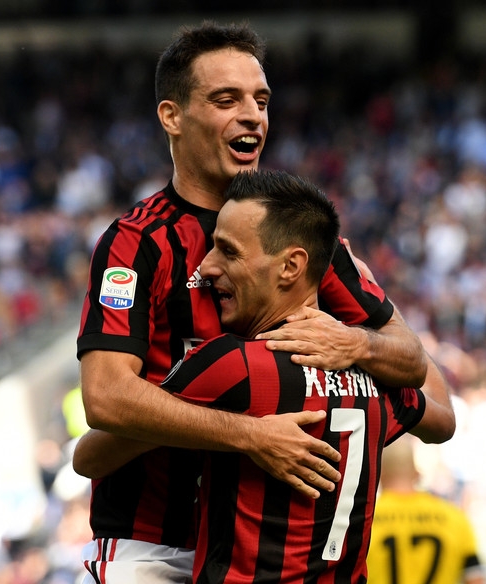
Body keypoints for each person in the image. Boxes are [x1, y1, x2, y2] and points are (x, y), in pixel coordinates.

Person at [76, 21, 427, 582]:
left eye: (261, 101)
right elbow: (105, 400)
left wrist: (355, 344)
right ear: (171, 116)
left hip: (262, 555)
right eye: (226, 100)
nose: (252, 116)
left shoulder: (304, 240)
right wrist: (250, 434)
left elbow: (417, 369)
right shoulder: (137, 243)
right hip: (154, 546)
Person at [75, 169, 456, 583]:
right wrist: (370, 324)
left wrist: (241, 431)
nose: (207, 266)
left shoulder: (234, 365)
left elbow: (89, 457)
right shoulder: (376, 383)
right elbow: (442, 417)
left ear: (291, 266)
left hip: (166, 554)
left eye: (228, 251)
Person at [366, 435, 486, 584]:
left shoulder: (364, 520)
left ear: (378, 473)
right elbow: (475, 579)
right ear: (416, 474)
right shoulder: (454, 517)